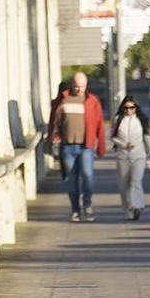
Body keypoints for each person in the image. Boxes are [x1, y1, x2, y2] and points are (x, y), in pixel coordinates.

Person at [47, 71, 105, 221]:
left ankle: (87, 204)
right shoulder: (63, 100)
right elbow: (53, 121)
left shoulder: (92, 101)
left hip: (86, 146)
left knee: (87, 175)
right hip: (67, 147)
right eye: (77, 86)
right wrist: (52, 138)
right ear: (71, 84)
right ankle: (75, 210)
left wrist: (101, 146)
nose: (79, 89)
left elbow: (99, 124)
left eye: (83, 86)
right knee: (71, 180)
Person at [110, 95, 150, 220]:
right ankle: (128, 209)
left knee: (136, 181)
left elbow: (147, 137)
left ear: (136, 107)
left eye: (132, 107)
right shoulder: (118, 119)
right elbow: (112, 137)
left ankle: (137, 206)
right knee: (123, 185)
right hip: (123, 156)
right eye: (126, 108)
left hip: (138, 156)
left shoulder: (141, 120)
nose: (129, 110)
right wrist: (124, 145)